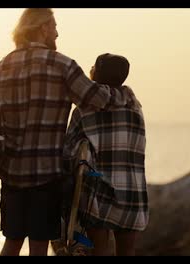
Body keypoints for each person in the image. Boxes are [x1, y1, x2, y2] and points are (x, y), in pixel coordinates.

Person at [0, 9, 135, 256]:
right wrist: (125, 93)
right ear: (43, 28)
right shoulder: (63, 66)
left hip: (11, 174)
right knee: (39, 244)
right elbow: (97, 99)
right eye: (54, 26)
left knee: (12, 242)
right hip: (46, 175)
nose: (57, 32)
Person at [63, 53, 149, 256]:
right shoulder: (135, 107)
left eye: (93, 66)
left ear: (98, 73)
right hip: (131, 188)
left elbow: (68, 152)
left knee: (98, 251)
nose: (90, 69)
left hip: (97, 191)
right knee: (127, 252)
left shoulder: (84, 110)